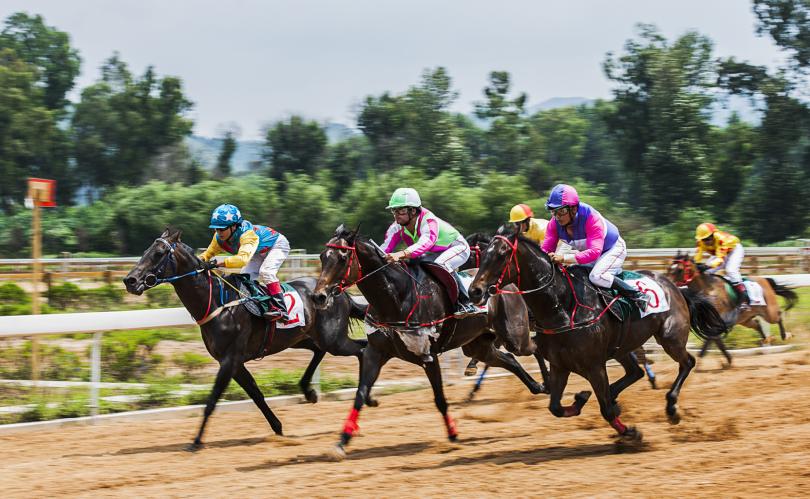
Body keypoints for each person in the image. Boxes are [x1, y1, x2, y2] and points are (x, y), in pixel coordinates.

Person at [540, 184, 650, 311]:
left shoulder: (591, 217)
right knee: (571, 272)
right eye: (554, 211)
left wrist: (563, 258)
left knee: (596, 276)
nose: (557, 216)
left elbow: (594, 253)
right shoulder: (553, 224)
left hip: (612, 249)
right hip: (591, 253)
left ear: (574, 209)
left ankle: (637, 295)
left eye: (562, 211)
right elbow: (545, 251)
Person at [382, 187, 477, 316]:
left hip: (457, 247)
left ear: (413, 211)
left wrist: (401, 254)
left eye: (401, 210)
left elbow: (426, 243)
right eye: (394, 210)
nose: (396, 214)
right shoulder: (397, 227)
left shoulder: (428, 220)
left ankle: (466, 303)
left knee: (441, 264)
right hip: (433, 252)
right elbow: (384, 248)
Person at [199, 204, 290, 321]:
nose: (218, 232)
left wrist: (217, 264)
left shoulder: (247, 235)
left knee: (266, 272)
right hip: (257, 252)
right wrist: (198, 261)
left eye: (222, 229)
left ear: (234, 226)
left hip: (276, 245)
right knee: (245, 278)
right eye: (216, 228)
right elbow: (207, 254)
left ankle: (281, 310)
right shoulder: (218, 238)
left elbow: (242, 260)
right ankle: (259, 305)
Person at [694, 222, 749, 310]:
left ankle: (744, 299)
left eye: (708, 239)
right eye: (704, 240)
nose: (706, 242)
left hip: (734, 250)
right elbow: (698, 256)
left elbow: (720, 260)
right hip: (719, 252)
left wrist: (707, 265)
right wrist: (696, 265)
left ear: (713, 234)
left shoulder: (721, 239)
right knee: (706, 273)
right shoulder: (700, 242)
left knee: (730, 270)